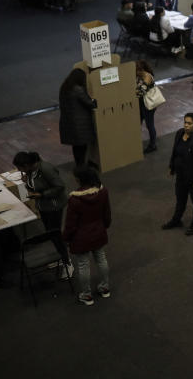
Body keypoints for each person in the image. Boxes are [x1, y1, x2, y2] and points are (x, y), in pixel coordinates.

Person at [63, 166, 112, 306]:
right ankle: (105, 288)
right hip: (98, 231)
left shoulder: (74, 199)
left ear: (79, 180)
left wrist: (66, 238)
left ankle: (86, 295)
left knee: (83, 265)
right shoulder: (103, 191)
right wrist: (104, 227)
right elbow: (107, 214)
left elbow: (70, 224)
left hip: (81, 237)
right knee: (101, 259)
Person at [162, 113, 193, 236]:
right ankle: (176, 220)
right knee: (180, 200)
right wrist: (172, 167)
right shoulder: (180, 133)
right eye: (185, 122)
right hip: (181, 176)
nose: (186, 125)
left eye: (189, 123)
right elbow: (175, 151)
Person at [59, 69, 97, 168]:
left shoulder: (65, 87)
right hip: (80, 124)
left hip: (68, 122)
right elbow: (90, 103)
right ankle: (82, 166)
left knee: (76, 146)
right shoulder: (77, 89)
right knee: (82, 146)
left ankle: (79, 165)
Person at [135, 60, 159, 154]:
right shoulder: (139, 76)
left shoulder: (147, 76)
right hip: (141, 103)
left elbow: (140, 92)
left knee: (150, 125)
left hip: (148, 105)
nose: (135, 73)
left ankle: (153, 145)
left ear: (141, 70)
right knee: (138, 122)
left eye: (137, 70)